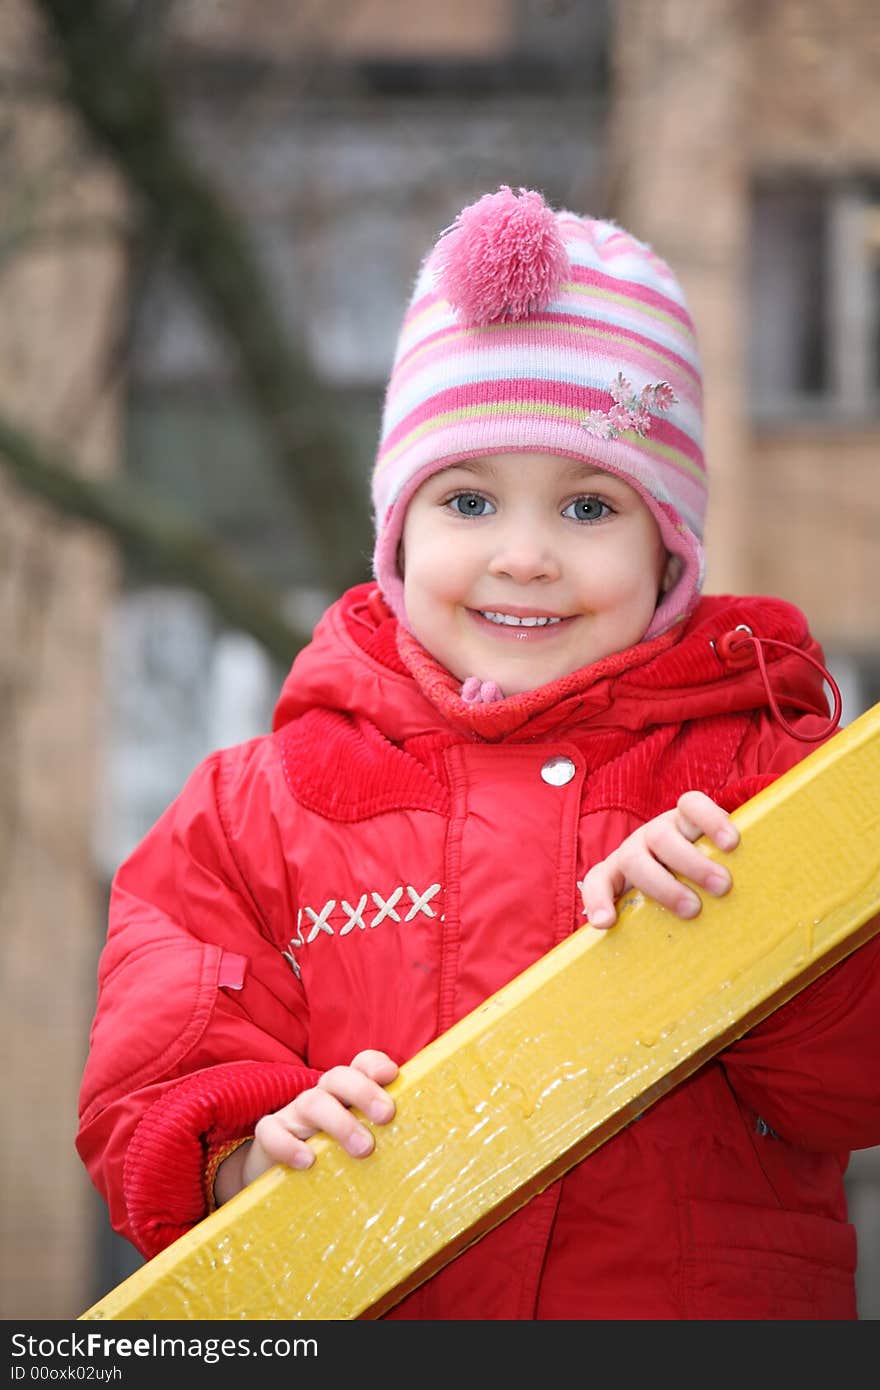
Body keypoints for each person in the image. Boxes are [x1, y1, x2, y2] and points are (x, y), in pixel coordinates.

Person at [77, 185, 880, 1320]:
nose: (524, 556)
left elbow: (855, 1089)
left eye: (590, 509)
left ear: (669, 553)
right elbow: (152, 1074)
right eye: (467, 498)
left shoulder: (763, 775)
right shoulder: (254, 813)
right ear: (397, 532)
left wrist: (754, 919)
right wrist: (245, 1157)